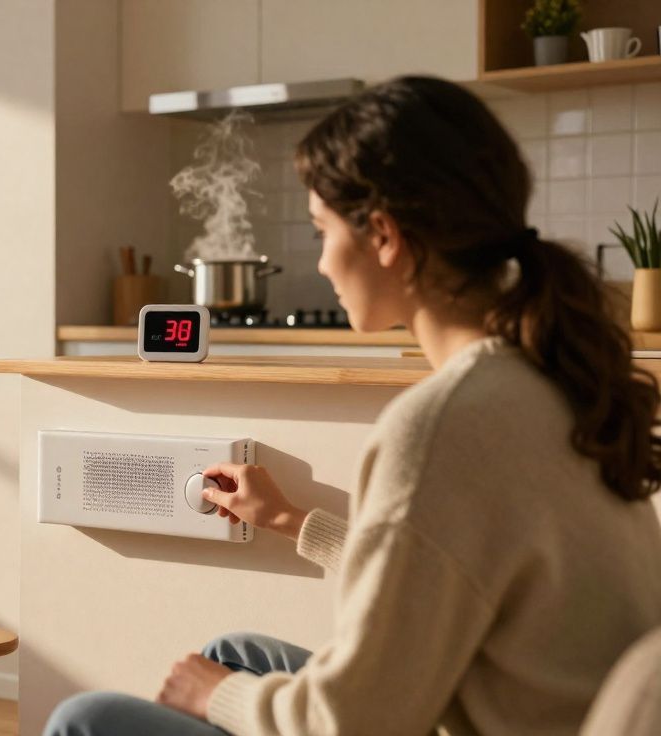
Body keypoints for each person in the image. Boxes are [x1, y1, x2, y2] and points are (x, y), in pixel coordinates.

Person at [45, 76, 661, 736]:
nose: (325, 263)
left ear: (385, 237)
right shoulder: (551, 378)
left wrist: (218, 697)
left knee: (88, 719)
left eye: (321, 231)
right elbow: (455, 578)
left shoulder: (444, 423)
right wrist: (290, 518)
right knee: (236, 654)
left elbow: (355, 722)